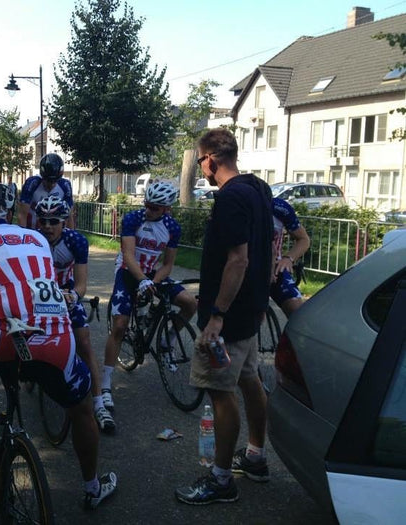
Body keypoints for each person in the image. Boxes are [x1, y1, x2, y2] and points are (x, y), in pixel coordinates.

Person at [0, 181, 117, 509]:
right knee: (82, 409)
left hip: (2, 341)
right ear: (14, 212)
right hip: (57, 341)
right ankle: (92, 486)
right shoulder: (38, 240)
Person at [176, 128, 273, 505]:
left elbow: (239, 258)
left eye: (200, 161)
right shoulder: (258, 188)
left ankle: (220, 480)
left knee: (220, 392)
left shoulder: (231, 197)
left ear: (211, 159)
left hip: (228, 316)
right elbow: (269, 244)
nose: (201, 168)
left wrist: (216, 315)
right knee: (250, 380)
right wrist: (261, 298)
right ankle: (256, 457)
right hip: (250, 309)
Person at [101, 181, 197, 427]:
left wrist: (153, 281)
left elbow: (167, 265)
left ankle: (167, 342)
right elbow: (129, 255)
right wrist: (142, 281)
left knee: (189, 303)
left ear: (166, 209)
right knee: (120, 325)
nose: (149, 210)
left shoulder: (172, 227)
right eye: (147, 204)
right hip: (128, 272)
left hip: (153, 273)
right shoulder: (134, 219)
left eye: (155, 208)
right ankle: (104, 386)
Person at [34, 195, 115, 434]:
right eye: (43, 220)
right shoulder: (31, 240)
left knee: (84, 342)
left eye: (54, 221)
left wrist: (74, 297)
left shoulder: (76, 241)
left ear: (64, 221)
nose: (48, 226)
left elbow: (81, 284)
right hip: (37, 295)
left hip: (67, 294)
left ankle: (99, 404)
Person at [270, 198, 310, 317]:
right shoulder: (238, 204)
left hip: (275, 267)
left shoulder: (278, 207)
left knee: (299, 314)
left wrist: (288, 258)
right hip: (244, 268)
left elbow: (304, 239)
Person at [19, 153, 74, 230]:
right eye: (48, 180)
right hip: (33, 230)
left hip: (55, 233)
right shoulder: (32, 183)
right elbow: (22, 214)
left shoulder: (65, 185)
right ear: (42, 176)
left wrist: (71, 238)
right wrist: (23, 236)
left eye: (55, 181)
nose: (51, 184)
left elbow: (69, 216)